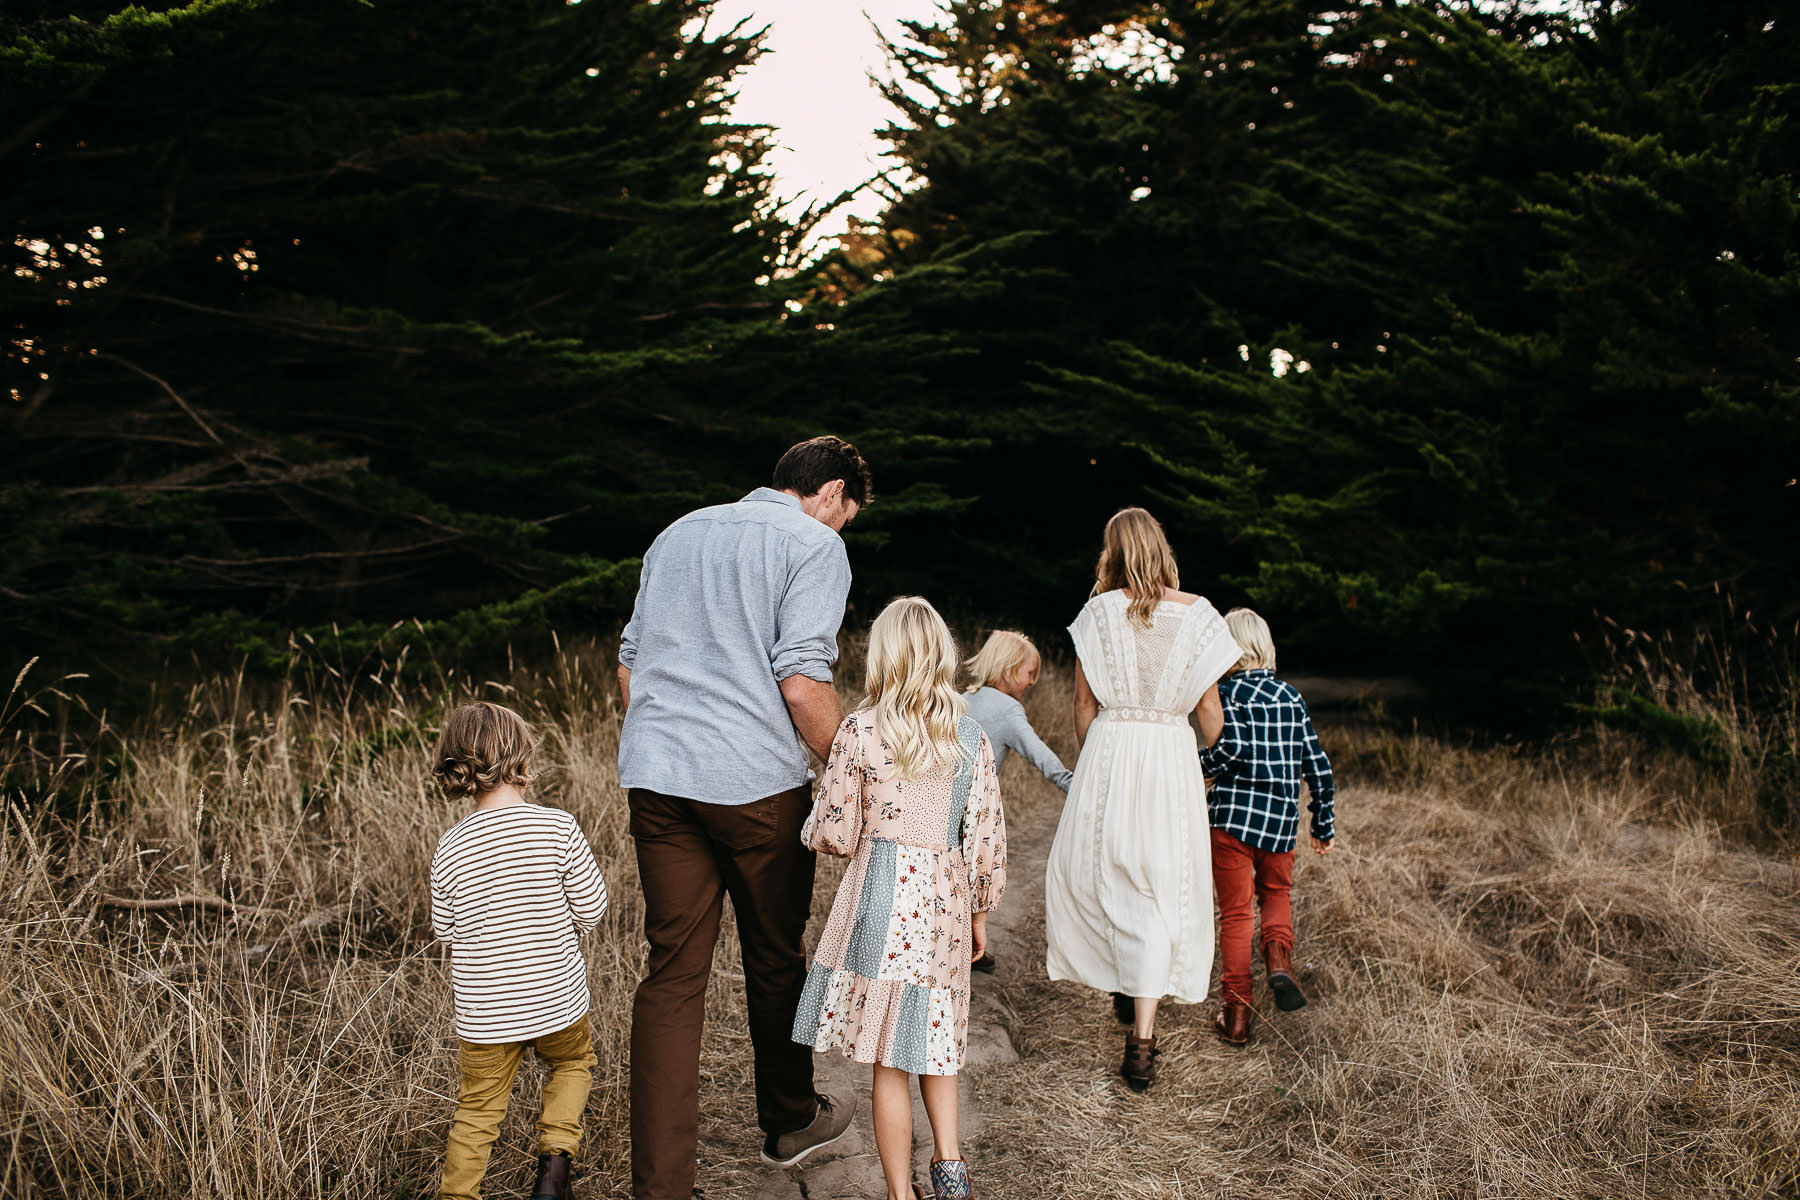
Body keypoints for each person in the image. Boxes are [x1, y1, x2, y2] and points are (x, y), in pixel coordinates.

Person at [617, 436, 870, 1200]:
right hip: (755, 785)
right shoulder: (813, 546)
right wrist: (849, 776)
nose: (843, 530)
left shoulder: (678, 532)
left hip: (658, 780)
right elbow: (801, 679)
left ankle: (660, 1189)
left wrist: (667, 743)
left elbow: (630, 665)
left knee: (672, 975)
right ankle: (790, 1121)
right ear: (830, 493)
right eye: (848, 516)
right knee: (772, 953)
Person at [792, 596, 1006, 1200]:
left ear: (883, 656)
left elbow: (832, 834)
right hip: (942, 908)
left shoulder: (860, 731)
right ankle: (951, 1168)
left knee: (889, 1061)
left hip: (879, 908)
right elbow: (984, 835)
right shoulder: (969, 735)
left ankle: (899, 1194)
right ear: (943, 653)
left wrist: (816, 821)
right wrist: (980, 913)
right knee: (937, 1046)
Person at [1043, 507, 1242, 1094]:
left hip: (1111, 749)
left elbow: (1083, 707)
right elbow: (1210, 715)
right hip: (1169, 759)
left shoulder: (1095, 614)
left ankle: (1125, 985)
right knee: (1160, 885)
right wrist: (1209, 760)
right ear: (1160, 548)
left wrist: (1098, 756)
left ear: (1113, 552)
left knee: (1101, 874)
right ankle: (1143, 1041)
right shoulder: (1199, 615)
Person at [429, 702, 609, 1200]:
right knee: (573, 1064)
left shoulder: (450, 847)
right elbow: (593, 908)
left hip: (485, 1013)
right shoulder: (557, 827)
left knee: (479, 1110)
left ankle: (458, 1194)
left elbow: (446, 930)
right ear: (522, 758)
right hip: (557, 998)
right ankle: (553, 1169)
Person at [1198, 607, 1337, 1046]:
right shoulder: (1291, 697)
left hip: (1232, 821)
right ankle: (1279, 960)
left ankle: (1236, 1015)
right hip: (1279, 822)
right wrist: (1323, 824)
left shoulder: (1227, 693)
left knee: (1237, 915)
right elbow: (1318, 767)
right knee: (1276, 894)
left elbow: (1226, 755)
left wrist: (1190, 767)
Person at [960, 630, 1069, 973]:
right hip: (974, 810)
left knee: (950, 879)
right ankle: (965, 957)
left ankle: (962, 949)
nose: (1032, 682)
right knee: (972, 878)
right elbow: (1040, 755)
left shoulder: (962, 697)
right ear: (1008, 669)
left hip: (940, 804)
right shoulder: (1008, 709)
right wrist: (1072, 784)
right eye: (1029, 673)